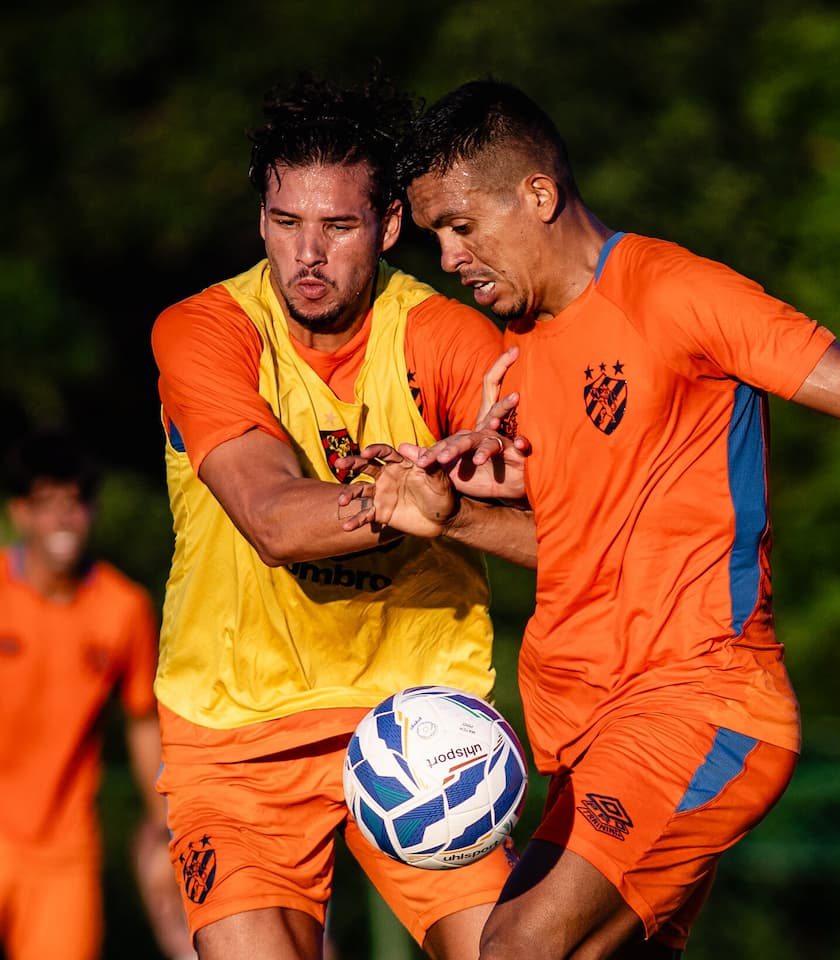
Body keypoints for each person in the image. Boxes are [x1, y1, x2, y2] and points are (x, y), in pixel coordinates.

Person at [342, 79, 840, 960]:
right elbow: (581, 548)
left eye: (460, 226)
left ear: (539, 194)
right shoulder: (519, 359)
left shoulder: (670, 291)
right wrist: (452, 516)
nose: (448, 257)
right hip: (586, 731)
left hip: (701, 705)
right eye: (436, 235)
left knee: (514, 946)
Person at [149, 70, 532, 960]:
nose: (306, 255)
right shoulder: (205, 331)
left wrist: (464, 513)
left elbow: (572, 531)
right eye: (286, 224)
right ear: (262, 225)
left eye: (338, 226)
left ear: (390, 227)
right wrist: (408, 499)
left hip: (417, 724)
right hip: (236, 727)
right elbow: (275, 520)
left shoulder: (445, 339)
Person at [0, 427, 194, 960]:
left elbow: (141, 720)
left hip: (63, 849)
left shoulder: (122, 607)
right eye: (46, 504)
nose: (63, 517)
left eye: (75, 503)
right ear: (20, 513)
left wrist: (163, 822)